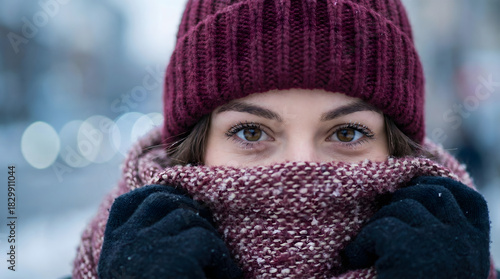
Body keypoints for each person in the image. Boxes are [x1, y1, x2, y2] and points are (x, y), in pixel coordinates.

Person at [73, 0, 498, 278]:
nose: (301, 168)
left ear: (396, 147)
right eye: (251, 131)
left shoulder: (456, 256)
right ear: (194, 149)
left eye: (347, 132)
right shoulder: (116, 257)